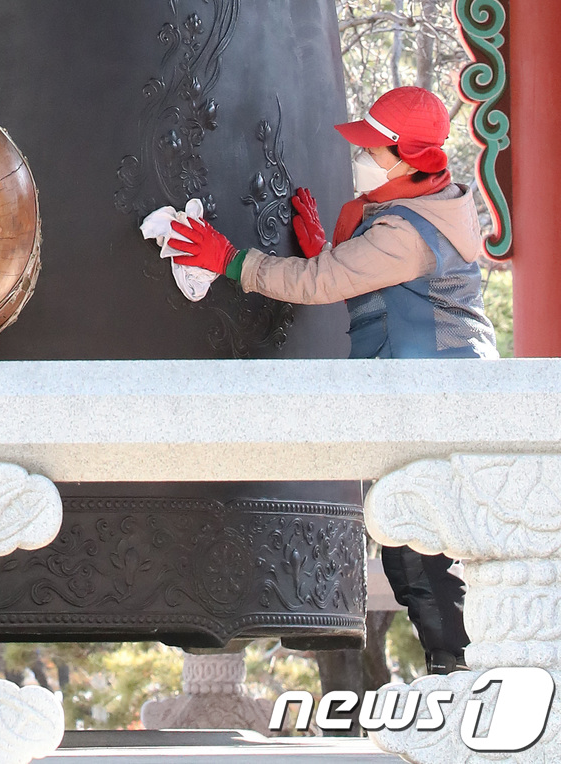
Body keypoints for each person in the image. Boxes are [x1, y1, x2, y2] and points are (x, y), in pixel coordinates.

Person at [168, 85, 495, 675]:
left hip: (422, 394)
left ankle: (455, 669)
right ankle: (455, 665)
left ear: (410, 158)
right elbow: (369, 279)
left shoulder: (402, 231)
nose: (362, 159)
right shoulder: (428, 205)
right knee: (414, 536)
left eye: (375, 150)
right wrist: (332, 249)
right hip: (432, 387)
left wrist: (229, 260)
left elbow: (320, 285)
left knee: (412, 541)